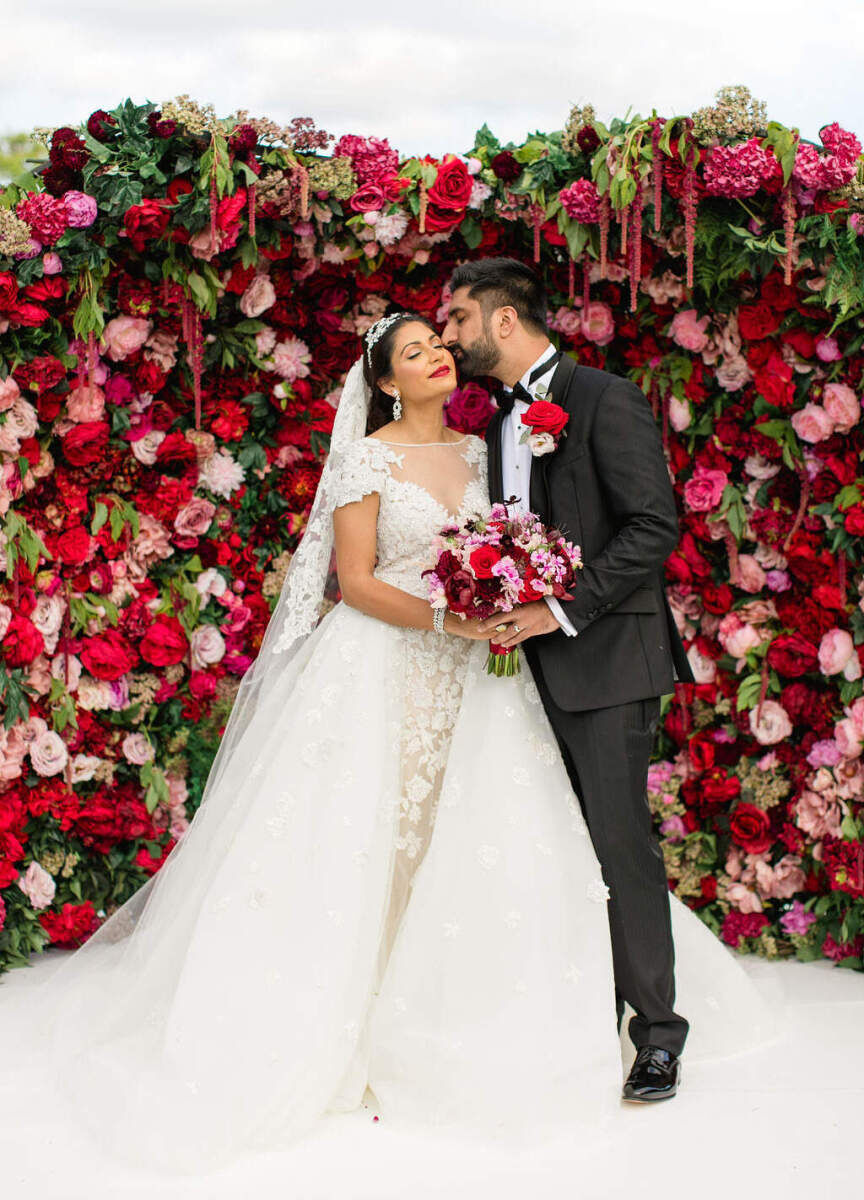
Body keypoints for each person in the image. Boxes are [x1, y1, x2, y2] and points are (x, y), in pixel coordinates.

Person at [0, 312, 777, 1177]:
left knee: (479, 827)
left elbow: (537, 542)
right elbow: (358, 581)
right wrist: (454, 616)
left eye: (440, 342)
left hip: (488, 675)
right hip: (388, 666)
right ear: (383, 383)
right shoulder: (368, 459)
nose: (440, 353)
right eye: (415, 352)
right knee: (369, 829)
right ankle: (347, 1011)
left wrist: (511, 597)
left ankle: (482, 1003)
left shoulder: (493, 453)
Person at [442, 256, 698, 1102]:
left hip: (604, 655)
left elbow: (653, 526)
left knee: (619, 845)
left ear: (503, 323)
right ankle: (561, 1014)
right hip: (509, 668)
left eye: (457, 319)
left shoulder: (601, 399)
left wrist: (557, 609)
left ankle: (657, 1037)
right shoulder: (476, 420)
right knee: (536, 842)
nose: (448, 336)